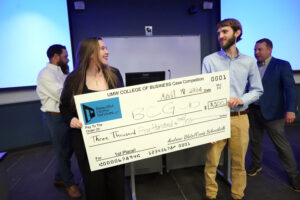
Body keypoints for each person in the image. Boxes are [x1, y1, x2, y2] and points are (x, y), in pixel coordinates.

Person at [202, 18, 263, 200]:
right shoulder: (210, 60)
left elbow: (257, 90)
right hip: (217, 117)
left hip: (240, 118)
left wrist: (242, 99)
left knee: (239, 164)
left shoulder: (249, 62)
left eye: (225, 32)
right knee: (211, 162)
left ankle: (238, 195)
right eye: (219, 33)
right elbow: (205, 91)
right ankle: (211, 195)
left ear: (237, 33)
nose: (220, 36)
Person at [59, 37, 125, 200]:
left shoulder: (114, 75)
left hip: (114, 144)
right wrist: (71, 120)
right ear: (91, 54)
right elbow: (64, 107)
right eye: (102, 48)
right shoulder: (74, 79)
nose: (107, 51)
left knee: (117, 189)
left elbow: (124, 102)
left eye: (106, 48)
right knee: (95, 190)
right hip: (88, 149)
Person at [247, 38, 300, 192]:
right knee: (255, 142)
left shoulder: (282, 65)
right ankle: (256, 166)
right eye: (255, 49)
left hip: (274, 113)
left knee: (281, 146)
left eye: (259, 49)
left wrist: (291, 110)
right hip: (254, 111)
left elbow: (290, 88)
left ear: (269, 50)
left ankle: (294, 176)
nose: (256, 52)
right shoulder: (252, 66)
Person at [36, 44, 81, 198]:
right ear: (55, 57)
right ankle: (70, 184)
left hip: (65, 116)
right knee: (62, 152)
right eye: (65, 56)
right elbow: (63, 95)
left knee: (68, 150)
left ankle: (58, 177)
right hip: (54, 117)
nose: (68, 59)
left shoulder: (62, 72)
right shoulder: (45, 75)